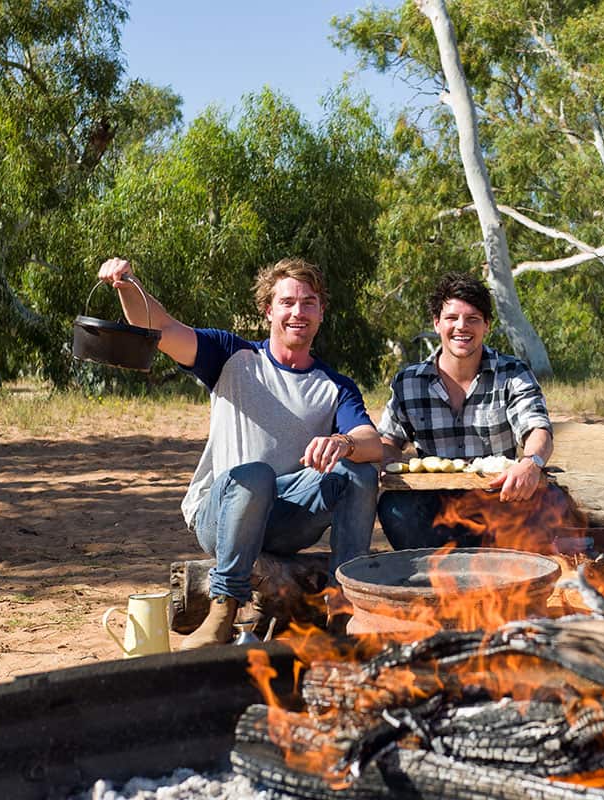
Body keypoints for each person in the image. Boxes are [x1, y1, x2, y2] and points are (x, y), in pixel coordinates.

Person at [98, 256, 381, 649]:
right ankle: (223, 609)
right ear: (268, 310)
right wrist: (127, 285)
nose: (298, 312)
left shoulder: (334, 386)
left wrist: (343, 442)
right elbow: (159, 327)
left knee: (360, 472)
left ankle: (343, 608)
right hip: (223, 514)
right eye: (287, 302)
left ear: (320, 313)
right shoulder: (232, 355)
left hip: (285, 519)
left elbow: (373, 442)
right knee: (256, 475)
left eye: (308, 302)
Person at [377, 273, 578, 553]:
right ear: (437, 323)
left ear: (487, 326)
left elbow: (538, 430)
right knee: (394, 507)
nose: (462, 327)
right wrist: (383, 463)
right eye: (452, 318)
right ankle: (440, 583)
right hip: (437, 509)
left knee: (552, 501)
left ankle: (511, 574)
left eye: (473, 319)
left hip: (501, 502)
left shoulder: (512, 373)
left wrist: (531, 463)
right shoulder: (408, 382)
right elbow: (388, 440)